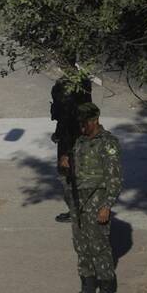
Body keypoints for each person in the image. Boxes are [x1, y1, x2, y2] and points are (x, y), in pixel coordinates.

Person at [63, 102, 122, 293]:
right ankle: (87, 290)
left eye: (84, 123)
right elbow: (77, 174)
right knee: (82, 247)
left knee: (100, 248)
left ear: (94, 120)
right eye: (79, 124)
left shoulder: (108, 143)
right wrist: (67, 164)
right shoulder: (80, 142)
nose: (81, 128)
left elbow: (114, 179)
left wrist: (107, 206)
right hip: (79, 204)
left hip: (97, 203)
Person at [52, 77, 92, 222]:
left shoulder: (66, 90)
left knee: (68, 177)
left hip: (70, 141)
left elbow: (65, 119)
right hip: (83, 137)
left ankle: (77, 212)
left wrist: (63, 149)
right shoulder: (84, 83)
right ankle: (81, 210)